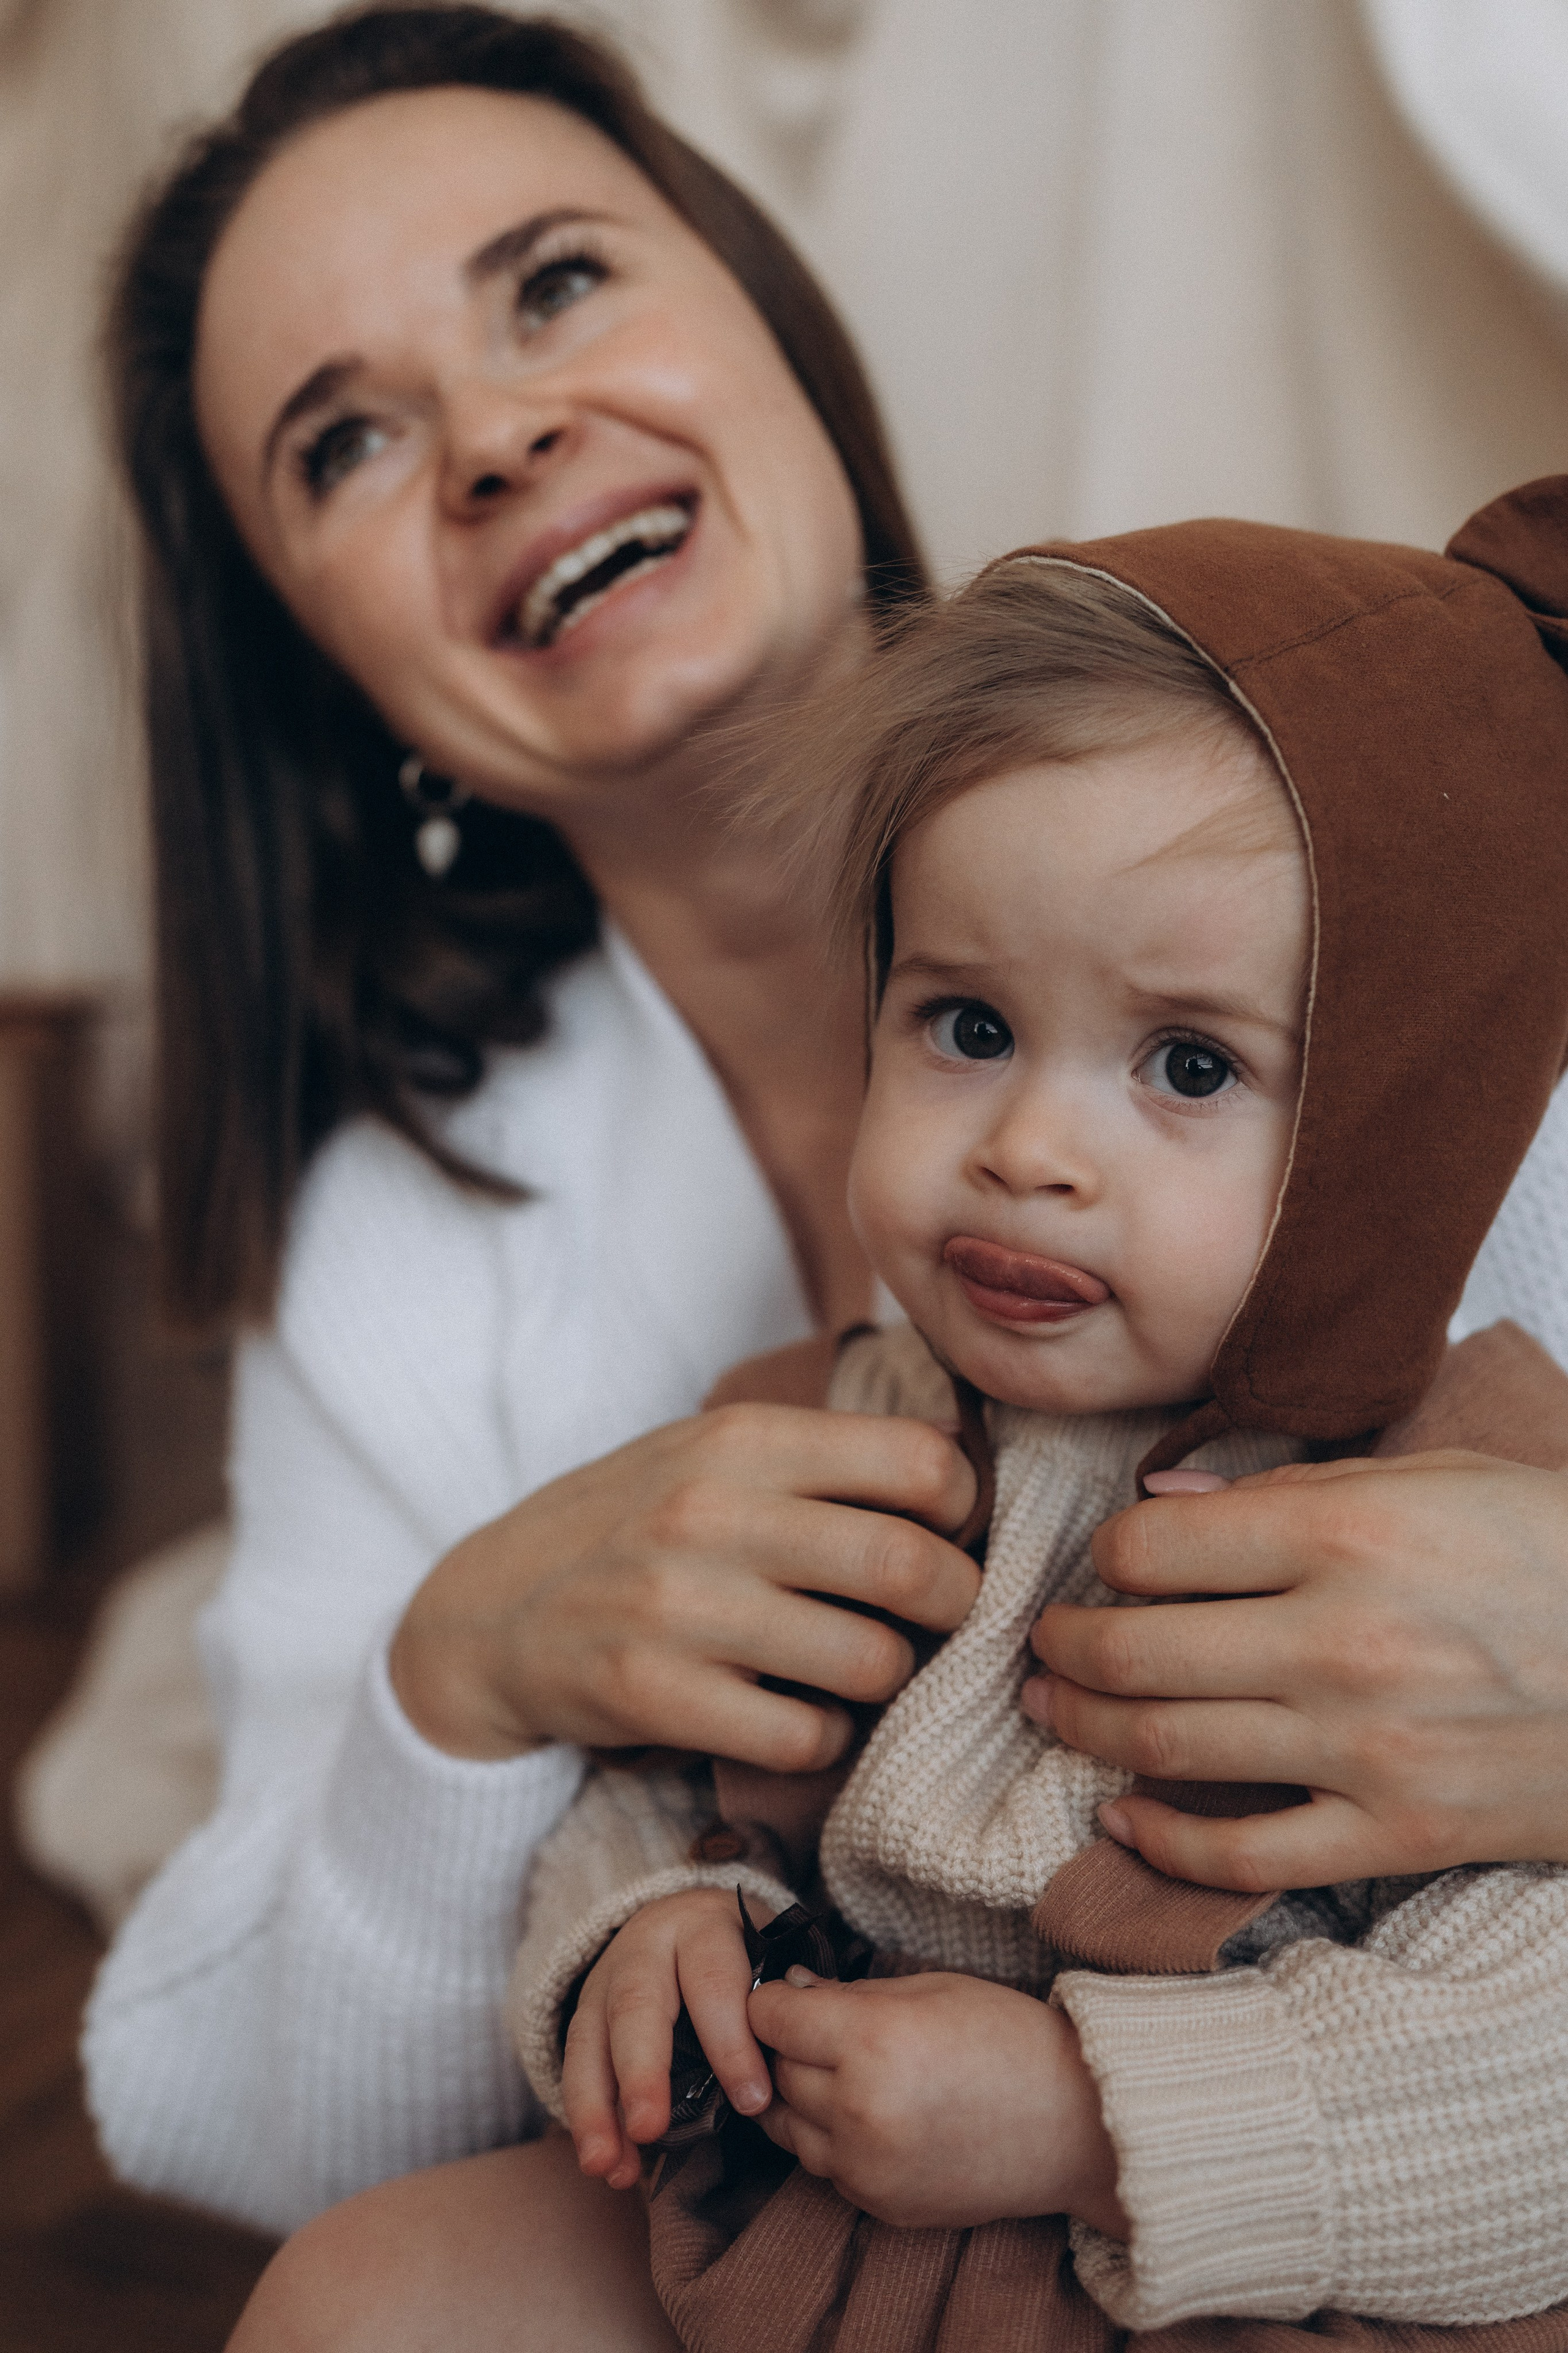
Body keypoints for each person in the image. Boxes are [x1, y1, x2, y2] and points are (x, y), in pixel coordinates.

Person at [66, 4, 1568, 2344]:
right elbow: (239, 2110)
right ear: (321, 662)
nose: (495, 435)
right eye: (344, 440)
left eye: (552, 283)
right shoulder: (422, 1222)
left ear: (766, 307)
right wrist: (465, 1675)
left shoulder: (1367, 820)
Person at [511, 498, 1568, 2341]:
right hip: (829, 2245)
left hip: (1245, 2280)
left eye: (1186, 1063)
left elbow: (1529, 2102)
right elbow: (657, 1781)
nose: (1023, 1150)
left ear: (1400, 1125)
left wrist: (1091, 2122)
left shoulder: (1466, 1530)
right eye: (968, 1025)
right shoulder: (842, 1436)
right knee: (365, 2287)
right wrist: (657, 1927)